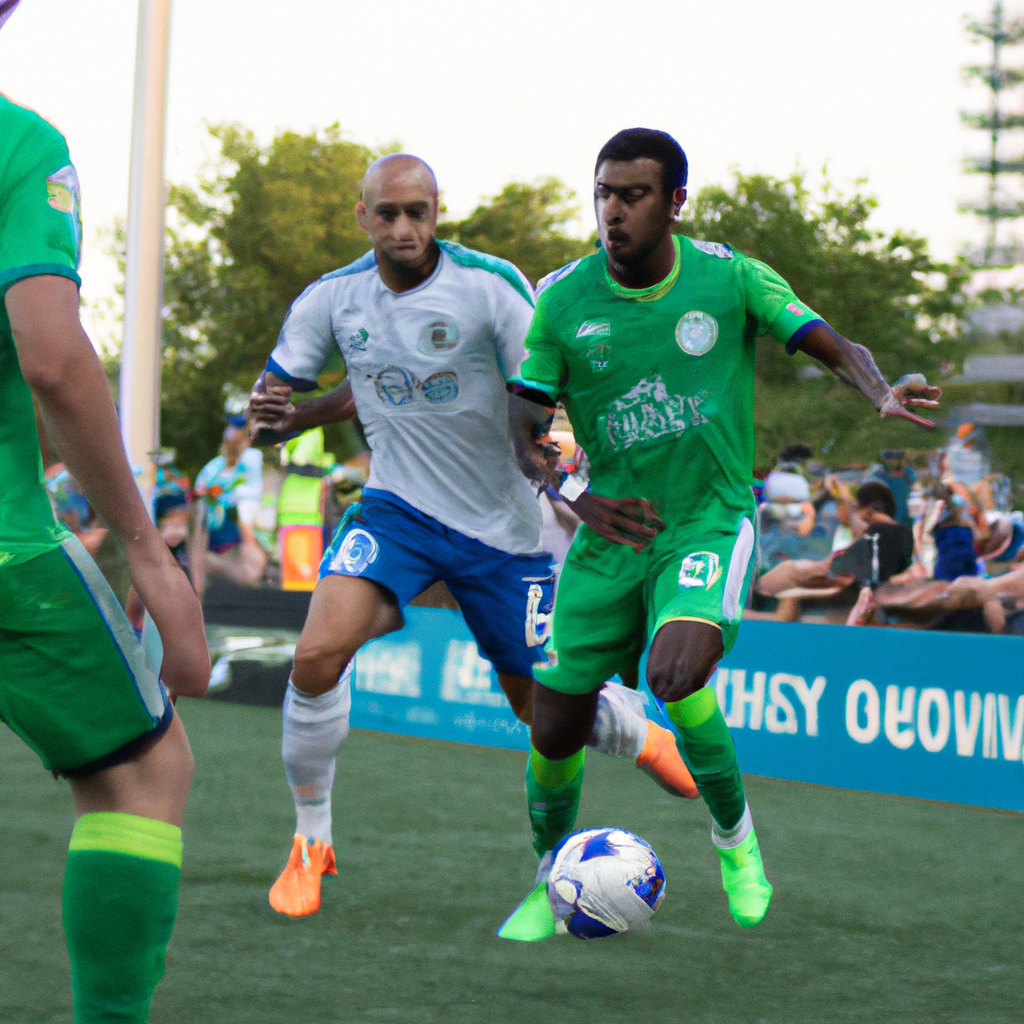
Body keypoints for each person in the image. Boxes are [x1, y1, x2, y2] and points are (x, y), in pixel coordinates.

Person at [499, 127, 941, 940]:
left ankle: (736, 843)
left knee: (675, 670)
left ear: (674, 203)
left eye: (633, 195)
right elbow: (522, 425)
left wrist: (876, 392)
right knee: (553, 723)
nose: (613, 211)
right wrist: (568, 490)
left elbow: (828, 341)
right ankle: (544, 877)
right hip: (610, 533)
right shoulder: (563, 297)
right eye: (603, 193)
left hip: (706, 518)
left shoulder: (728, 276)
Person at [248, 153, 697, 919]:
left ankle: (629, 726)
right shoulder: (331, 300)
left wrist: (562, 478)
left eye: (417, 212)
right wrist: (274, 420)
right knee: (318, 654)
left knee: (538, 710)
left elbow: (542, 387)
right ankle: (311, 839)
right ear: (363, 217)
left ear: (436, 213)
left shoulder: (490, 288)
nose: (403, 227)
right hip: (396, 510)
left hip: (505, 530)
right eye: (387, 213)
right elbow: (318, 389)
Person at [0, 78, 209, 1023]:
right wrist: (149, 551)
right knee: (143, 776)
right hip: (6, 556)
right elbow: (50, 354)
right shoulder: (18, 144)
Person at [189, 408, 267, 597]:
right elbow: (198, 493)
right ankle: (198, 581)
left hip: (236, 528)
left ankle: (202, 571)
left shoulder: (250, 459)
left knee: (252, 570)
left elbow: (253, 494)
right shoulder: (215, 466)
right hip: (214, 528)